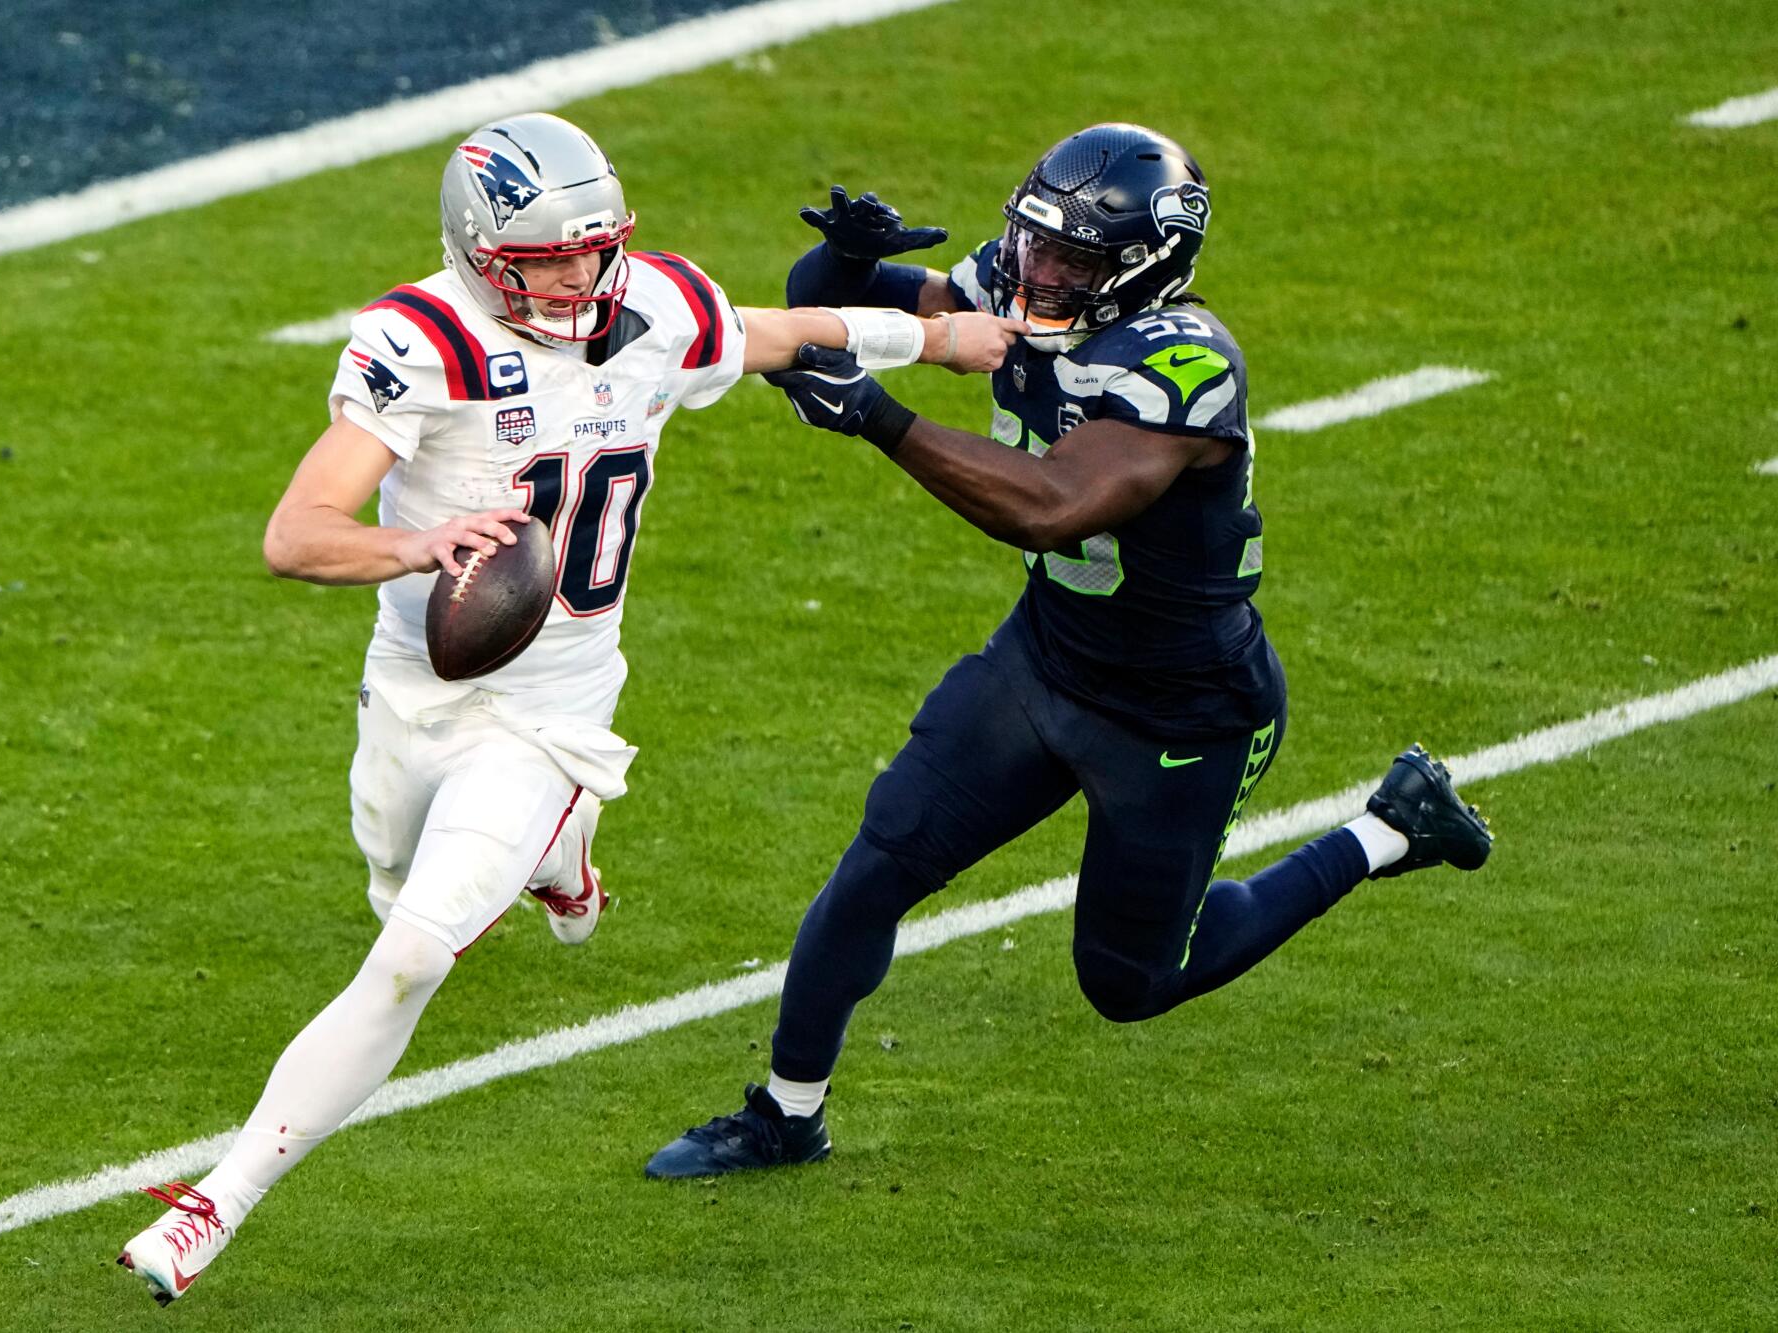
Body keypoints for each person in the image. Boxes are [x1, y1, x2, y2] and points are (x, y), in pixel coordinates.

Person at [116, 111, 1022, 1304]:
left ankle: (215, 1202)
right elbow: (295, 535)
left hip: (550, 714)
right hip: (417, 688)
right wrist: (419, 543)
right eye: (547, 261)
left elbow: (778, 331)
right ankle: (561, 857)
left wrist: (939, 339)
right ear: (479, 253)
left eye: (594, 250)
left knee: (408, 955)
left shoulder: (654, 306)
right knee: (388, 873)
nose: (580, 278)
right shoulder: (420, 340)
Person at [645, 123, 1493, 1179]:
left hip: (1180, 708)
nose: (1036, 272)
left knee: (1131, 981)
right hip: (1047, 657)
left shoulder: (1182, 364)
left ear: (1144, 265)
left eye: (1071, 259)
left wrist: (877, 418)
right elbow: (841, 310)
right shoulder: (1022, 279)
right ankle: (786, 1113)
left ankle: (1388, 828)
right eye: (1033, 243)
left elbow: (1052, 505)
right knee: (880, 860)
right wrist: (847, 260)